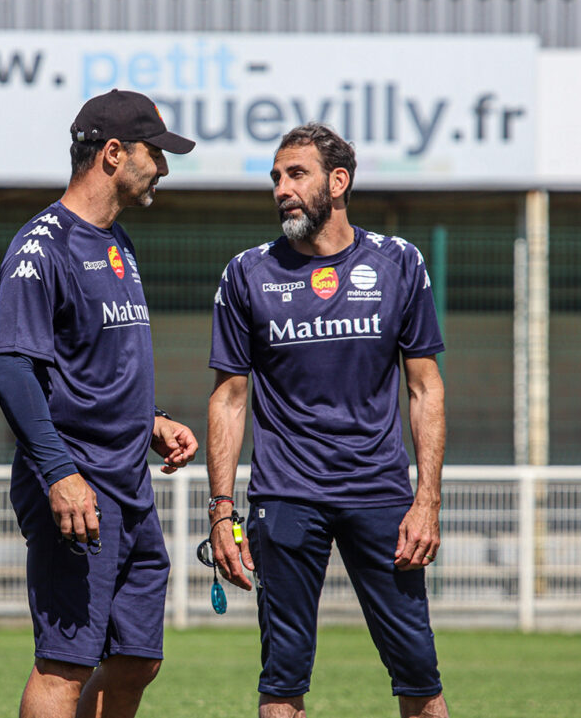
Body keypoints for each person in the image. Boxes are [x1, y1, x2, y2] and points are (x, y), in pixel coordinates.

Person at [206, 123, 450, 718]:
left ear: (338, 181)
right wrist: (220, 510)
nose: (282, 189)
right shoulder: (247, 273)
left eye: (297, 174)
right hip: (285, 498)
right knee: (283, 677)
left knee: (418, 672)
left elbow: (425, 388)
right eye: (276, 178)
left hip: (381, 495)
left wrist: (427, 502)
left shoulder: (398, 262)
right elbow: (229, 399)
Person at [0, 89, 200, 718]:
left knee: (139, 657)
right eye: (154, 154)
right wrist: (60, 474)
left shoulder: (118, 243)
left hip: (129, 482)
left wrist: (152, 420)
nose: (162, 168)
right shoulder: (43, 246)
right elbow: (13, 371)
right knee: (66, 663)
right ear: (113, 153)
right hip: (77, 484)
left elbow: (95, 360)